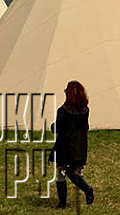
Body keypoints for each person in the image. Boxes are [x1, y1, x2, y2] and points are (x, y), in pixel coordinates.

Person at [50, 80, 94, 208]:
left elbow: (57, 128)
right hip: (80, 147)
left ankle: (62, 203)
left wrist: (52, 126)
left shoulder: (64, 111)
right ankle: (87, 190)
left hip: (65, 146)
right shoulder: (85, 111)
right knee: (75, 173)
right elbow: (86, 127)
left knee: (61, 173)